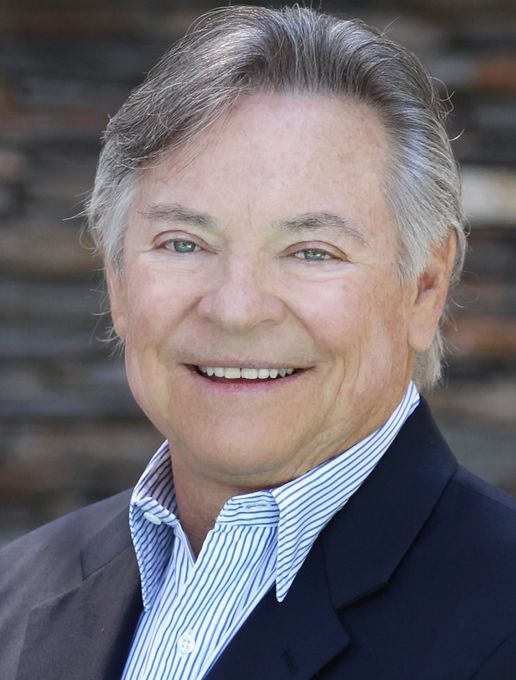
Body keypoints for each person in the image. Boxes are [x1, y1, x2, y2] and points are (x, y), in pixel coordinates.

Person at [1, 5, 515, 679]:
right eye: (183, 243)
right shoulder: (15, 595)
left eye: (311, 251)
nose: (237, 310)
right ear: (117, 278)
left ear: (425, 287)